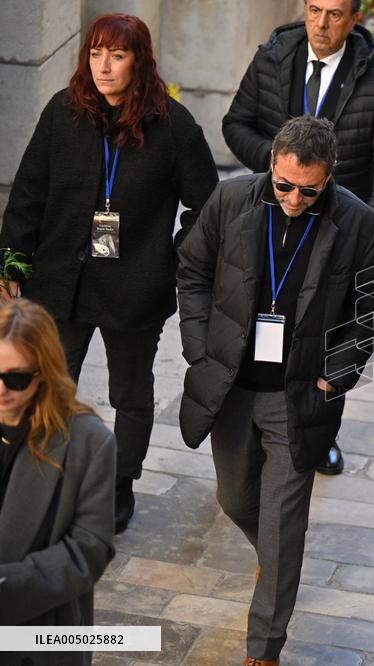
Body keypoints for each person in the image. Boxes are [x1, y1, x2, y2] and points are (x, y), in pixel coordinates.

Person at [176, 115, 374, 665]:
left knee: (281, 517)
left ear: (329, 176)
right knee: (236, 499)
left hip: (300, 396)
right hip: (231, 386)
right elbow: (193, 269)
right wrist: (201, 348)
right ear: (272, 163)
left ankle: (264, 648)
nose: (295, 199)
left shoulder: (359, 225)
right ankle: (275, 559)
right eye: (285, 185)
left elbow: (370, 311)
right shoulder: (230, 202)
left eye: (309, 190)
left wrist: (331, 378)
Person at [0, 13, 218, 534]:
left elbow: (207, 209)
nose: (103, 66)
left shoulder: (174, 127)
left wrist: (170, 259)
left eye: (117, 56)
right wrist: (12, 263)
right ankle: (45, 481)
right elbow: (28, 194)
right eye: (96, 54)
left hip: (134, 291)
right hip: (59, 285)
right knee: (49, 387)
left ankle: (119, 484)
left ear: (138, 62)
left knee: (131, 394)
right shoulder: (64, 112)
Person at [223, 0, 374, 476]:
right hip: (271, 218)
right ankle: (254, 419)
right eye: (314, 10)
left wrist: (369, 228)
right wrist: (286, 166)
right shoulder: (272, 58)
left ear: (354, 19)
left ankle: (320, 432)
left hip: (335, 231)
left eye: (334, 13)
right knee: (265, 313)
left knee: (326, 331)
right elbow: (235, 124)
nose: (321, 24)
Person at [0, 299, 116, 666]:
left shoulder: (88, 442)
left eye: (15, 378)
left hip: (39, 635)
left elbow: (90, 548)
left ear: (44, 373)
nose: (1, 389)